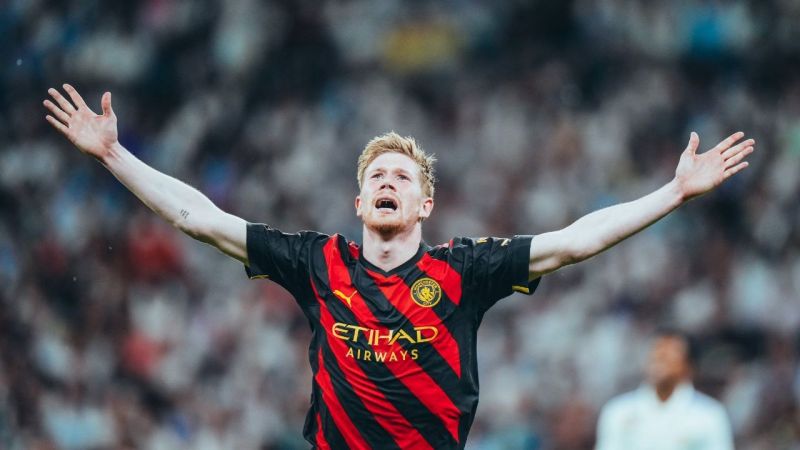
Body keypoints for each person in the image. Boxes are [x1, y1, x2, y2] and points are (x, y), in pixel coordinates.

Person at [43, 84, 754, 450]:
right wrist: (114, 155)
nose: (388, 180)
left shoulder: (464, 271)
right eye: (376, 175)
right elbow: (199, 219)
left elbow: (573, 242)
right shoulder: (317, 262)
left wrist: (671, 193)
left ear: (424, 204)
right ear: (359, 200)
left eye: (402, 176)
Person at [595, 331, 735, 450]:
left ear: (689, 367)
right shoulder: (619, 411)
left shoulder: (709, 416)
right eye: (656, 354)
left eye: (668, 356)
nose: (659, 361)